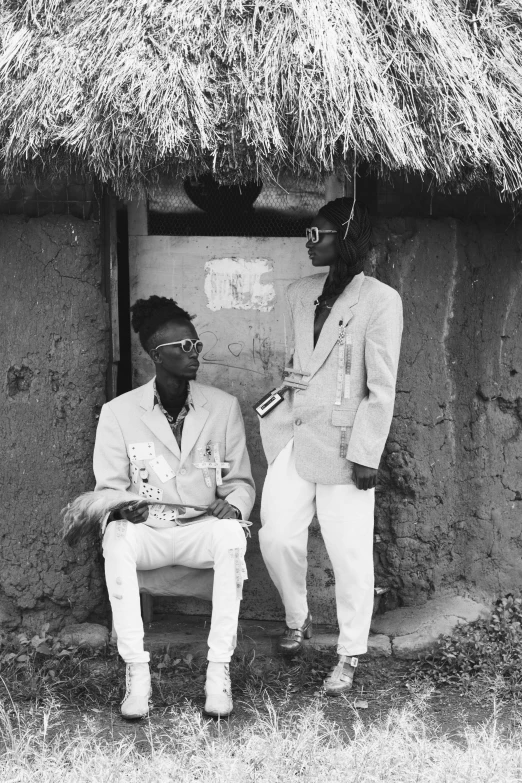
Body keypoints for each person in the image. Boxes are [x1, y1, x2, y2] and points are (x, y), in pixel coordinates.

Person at [259, 197, 403, 695]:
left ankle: (349, 653)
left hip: (346, 448)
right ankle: (298, 618)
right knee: (276, 535)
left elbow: (381, 387)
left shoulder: (380, 301)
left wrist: (367, 453)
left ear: (345, 237)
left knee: (349, 553)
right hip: (293, 435)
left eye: (317, 234)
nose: (309, 242)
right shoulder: (299, 293)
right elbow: (292, 361)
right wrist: (278, 406)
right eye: (308, 232)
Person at [94, 296, 255, 719]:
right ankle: (137, 675)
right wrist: (123, 508)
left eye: (197, 345)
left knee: (232, 539)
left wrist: (234, 508)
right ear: (156, 355)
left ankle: (218, 673)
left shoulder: (222, 407)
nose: (194, 354)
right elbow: (107, 489)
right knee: (115, 539)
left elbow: (240, 482)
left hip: (200, 527)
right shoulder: (119, 413)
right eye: (183, 347)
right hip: (148, 530)